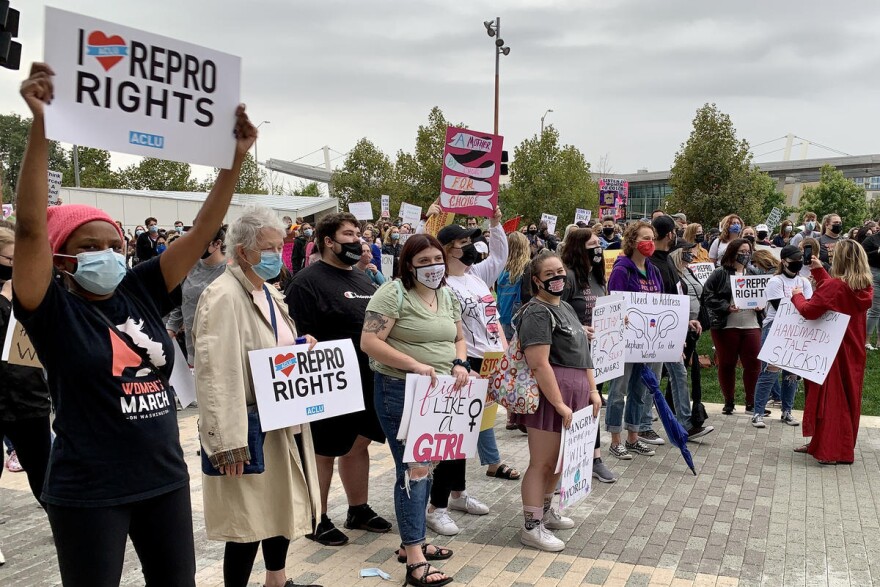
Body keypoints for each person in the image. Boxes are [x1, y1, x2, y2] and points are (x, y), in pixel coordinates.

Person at [12, 62, 256, 586]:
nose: (107, 255)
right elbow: (31, 228)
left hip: (163, 478)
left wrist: (234, 163)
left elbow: (203, 230)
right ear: (61, 261)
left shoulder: (141, 287)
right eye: (89, 248)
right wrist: (41, 125)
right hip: (88, 490)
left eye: (114, 245)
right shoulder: (50, 308)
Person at [194, 207, 322, 587]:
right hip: (249, 426)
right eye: (268, 247)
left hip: (283, 418)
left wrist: (300, 345)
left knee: (278, 506)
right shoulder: (222, 295)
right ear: (243, 250)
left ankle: (277, 580)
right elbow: (216, 374)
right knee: (247, 518)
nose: (276, 254)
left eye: (279, 246)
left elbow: (272, 344)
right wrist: (227, 442)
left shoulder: (266, 291)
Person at [361, 234, 466, 587]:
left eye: (437, 259)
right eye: (423, 261)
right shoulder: (393, 293)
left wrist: (460, 363)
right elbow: (370, 341)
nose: (433, 267)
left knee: (428, 464)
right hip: (399, 390)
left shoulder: (447, 295)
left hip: (437, 394)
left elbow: (458, 337)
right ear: (408, 264)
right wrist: (413, 364)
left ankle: (413, 541)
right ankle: (415, 555)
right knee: (413, 469)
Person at [285, 212, 391, 548]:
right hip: (329, 384)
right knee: (324, 451)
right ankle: (316, 517)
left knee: (358, 445)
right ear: (328, 241)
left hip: (366, 379)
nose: (356, 240)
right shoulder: (307, 281)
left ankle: (357, 509)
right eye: (348, 234)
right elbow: (295, 336)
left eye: (358, 233)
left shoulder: (362, 280)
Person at [511, 251, 601, 551]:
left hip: (574, 394)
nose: (557, 278)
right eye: (549, 275)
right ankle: (531, 525)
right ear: (536, 281)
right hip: (553, 396)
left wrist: (591, 389)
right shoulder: (536, 312)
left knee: (561, 461)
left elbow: (583, 354)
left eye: (560, 271)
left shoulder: (564, 308)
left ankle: (546, 511)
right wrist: (560, 403)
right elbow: (539, 364)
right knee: (543, 462)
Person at [430, 209, 511, 537]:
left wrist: (495, 222)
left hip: (489, 361)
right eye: (463, 242)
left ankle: (458, 493)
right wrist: (458, 363)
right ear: (447, 248)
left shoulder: (476, 275)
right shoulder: (443, 283)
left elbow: (501, 255)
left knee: (471, 431)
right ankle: (437, 508)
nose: (471, 247)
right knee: (453, 436)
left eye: (471, 241)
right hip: (465, 364)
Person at [791, 240, 873, 464]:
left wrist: (796, 295)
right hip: (852, 348)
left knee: (829, 398)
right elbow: (837, 294)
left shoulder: (836, 287)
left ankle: (829, 450)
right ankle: (839, 447)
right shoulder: (863, 286)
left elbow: (809, 310)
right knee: (847, 397)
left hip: (829, 348)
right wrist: (819, 272)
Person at [558, 228, 619, 482]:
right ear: (578, 248)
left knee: (593, 405)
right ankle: (570, 459)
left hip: (598, 354)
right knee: (577, 406)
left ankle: (594, 458)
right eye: (593, 244)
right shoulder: (568, 277)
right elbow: (556, 310)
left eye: (599, 244)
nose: (598, 249)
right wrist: (579, 327)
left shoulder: (597, 277)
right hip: (572, 354)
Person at [648, 216, 713, 440]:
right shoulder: (654, 264)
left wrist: (684, 324)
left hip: (673, 328)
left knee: (677, 373)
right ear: (670, 235)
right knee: (654, 377)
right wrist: (675, 329)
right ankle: (643, 423)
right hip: (660, 331)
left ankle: (685, 423)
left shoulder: (666, 261)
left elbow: (674, 297)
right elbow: (660, 301)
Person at [0, 226, 52, 506]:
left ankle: (62, 523)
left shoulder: (28, 288)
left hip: (28, 394)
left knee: (43, 470)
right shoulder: (7, 295)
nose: (15, 266)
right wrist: (5, 300)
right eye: (10, 260)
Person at [605, 221, 663, 459]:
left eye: (652, 238)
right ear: (632, 241)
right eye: (644, 238)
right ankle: (615, 439)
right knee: (618, 391)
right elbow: (612, 303)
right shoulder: (622, 270)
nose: (649, 242)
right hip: (624, 341)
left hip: (647, 342)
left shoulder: (654, 270)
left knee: (640, 390)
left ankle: (633, 437)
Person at [751, 246, 812, 428]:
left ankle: (787, 411)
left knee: (791, 373)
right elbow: (782, 308)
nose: (797, 262)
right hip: (775, 328)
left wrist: (801, 303)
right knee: (770, 371)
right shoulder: (775, 282)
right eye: (794, 259)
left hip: (796, 330)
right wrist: (799, 301)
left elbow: (808, 307)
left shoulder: (804, 282)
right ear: (784, 261)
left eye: (799, 259)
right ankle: (758, 412)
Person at [702, 238, 765, 416]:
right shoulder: (719, 274)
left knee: (753, 364)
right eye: (742, 252)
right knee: (727, 363)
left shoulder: (754, 273)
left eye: (748, 251)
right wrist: (726, 307)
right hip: (726, 325)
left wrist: (761, 305)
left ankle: (751, 403)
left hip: (751, 323)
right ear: (732, 252)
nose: (746, 255)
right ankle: (729, 401)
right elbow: (708, 296)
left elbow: (763, 295)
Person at [164, 225, 228, 367]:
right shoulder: (188, 266)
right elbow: (181, 301)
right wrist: (170, 329)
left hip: (222, 349)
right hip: (193, 347)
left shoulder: (230, 269)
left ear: (217, 244)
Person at [669, 245, 710, 430]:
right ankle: (681, 418)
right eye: (687, 250)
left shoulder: (689, 271)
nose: (692, 254)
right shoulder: (672, 272)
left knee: (680, 373)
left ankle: (680, 416)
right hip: (677, 327)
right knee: (678, 373)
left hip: (691, 325)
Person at [497, 231, 531, 341]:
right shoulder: (528, 267)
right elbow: (528, 294)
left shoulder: (502, 267)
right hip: (519, 315)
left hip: (503, 313)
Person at [862, 228, 880, 350]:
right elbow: (862, 255)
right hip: (874, 272)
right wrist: (877, 252)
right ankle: (866, 340)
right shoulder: (871, 239)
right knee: (875, 308)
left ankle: (879, 341)